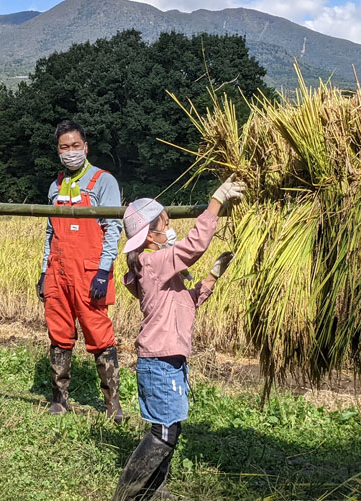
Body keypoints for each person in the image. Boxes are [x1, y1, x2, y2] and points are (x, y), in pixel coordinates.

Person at [113, 176, 245, 500]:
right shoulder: (151, 263)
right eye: (166, 224)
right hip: (158, 363)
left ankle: (155, 492)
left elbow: (187, 303)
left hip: (168, 362)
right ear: (149, 237)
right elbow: (193, 247)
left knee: (171, 430)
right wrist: (216, 201)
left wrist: (212, 276)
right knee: (164, 432)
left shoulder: (159, 272)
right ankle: (127, 495)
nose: (171, 229)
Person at [37, 120, 125, 421]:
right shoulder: (55, 186)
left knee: (99, 335)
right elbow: (50, 232)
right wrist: (44, 270)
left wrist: (103, 271)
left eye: (76, 146)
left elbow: (113, 228)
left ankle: (112, 404)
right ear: (58, 150)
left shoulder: (103, 182)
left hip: (89, 273)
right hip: (58, 271)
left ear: (85, 147)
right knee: (59, 334)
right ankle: (59, 399)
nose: (70, 152)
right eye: (64, 147)